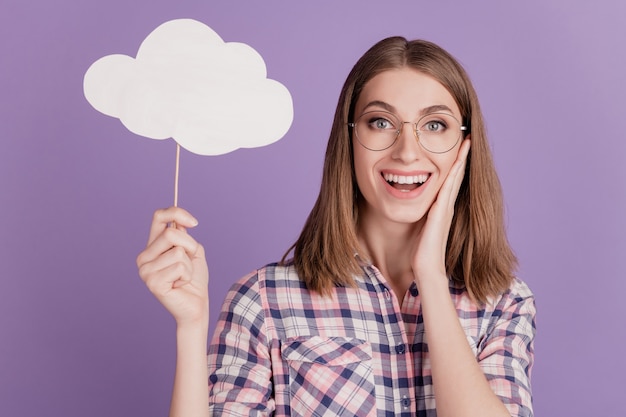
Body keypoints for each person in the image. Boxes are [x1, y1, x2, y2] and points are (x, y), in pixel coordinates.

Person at [136, 36, 536, 417]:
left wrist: (430, 274)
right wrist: (191, 329)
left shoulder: (503, 304)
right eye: (380, 122)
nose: (407, 151)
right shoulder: (263, 301)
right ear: (350, 138)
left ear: (466, 145)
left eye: (434, 125)